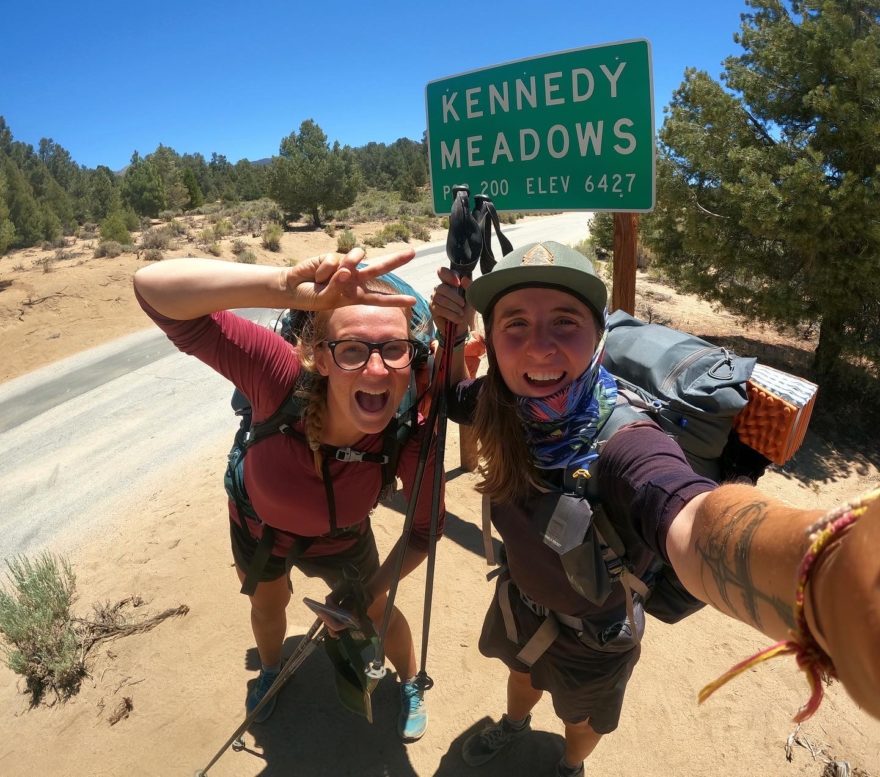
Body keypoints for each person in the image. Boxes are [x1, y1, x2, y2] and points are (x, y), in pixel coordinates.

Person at [430, 240, 880, 777]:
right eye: (516, 324)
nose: (538, 348)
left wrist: (828, 570)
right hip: (519, 601)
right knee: (522, 672)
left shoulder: (628, 442)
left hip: (594, 637)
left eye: (564, 322)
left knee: (581, 719)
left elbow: (689, 517)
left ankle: (570, 766)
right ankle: (515, 724)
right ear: (494, 339)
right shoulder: (500, 405)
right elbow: (456, 394)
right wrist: (448, 334)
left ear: (598, 336)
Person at [133, 247, 444, 742]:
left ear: (413, 355)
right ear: (320, 358)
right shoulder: (279, 378)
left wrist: (369, 590)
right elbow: (153, 287)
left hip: (343, 536)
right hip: (258, 527)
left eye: (394, 349)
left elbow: (425, 531)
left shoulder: (410, 432)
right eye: (351, 350)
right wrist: (279, 284)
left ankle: (410, 682)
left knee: (380, 609)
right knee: (267, 607)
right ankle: (273, 671)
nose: (377, 370)